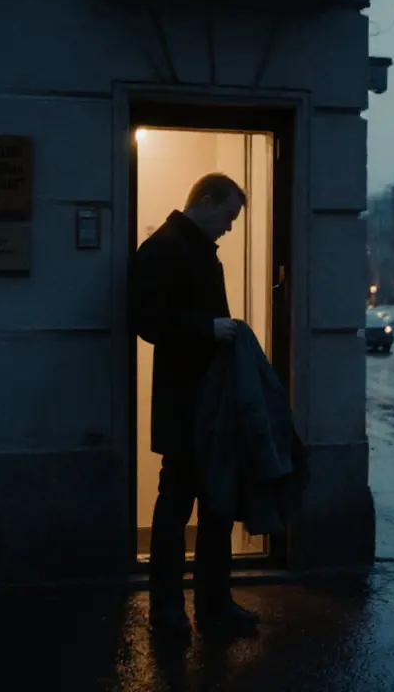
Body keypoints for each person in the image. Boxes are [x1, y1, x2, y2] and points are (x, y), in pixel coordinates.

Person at [128, 173, 261, 635]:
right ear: (204, 201)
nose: (229, 227)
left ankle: (205, 607)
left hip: (200, 403)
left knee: (210, 508)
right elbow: (145, 320)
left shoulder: (187, 249)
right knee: (179, 510)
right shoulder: (163, 249)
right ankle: (177, 610)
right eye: (227, 216)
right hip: (189, 403)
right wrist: (209, 328)